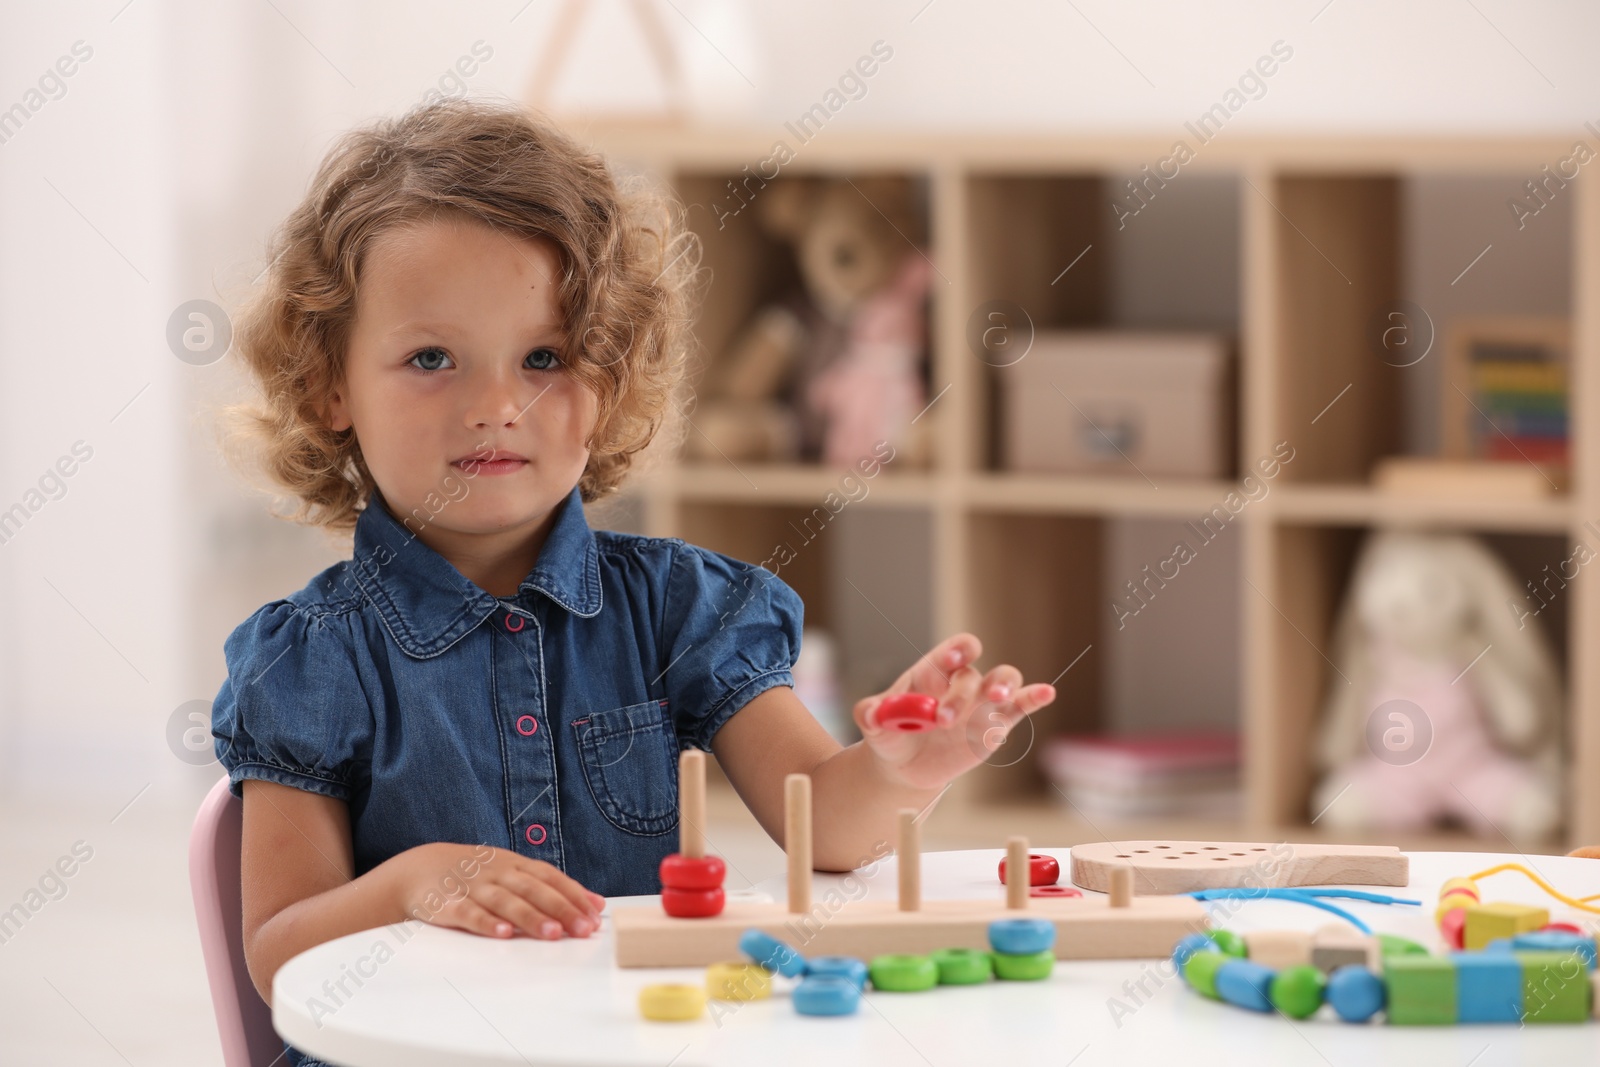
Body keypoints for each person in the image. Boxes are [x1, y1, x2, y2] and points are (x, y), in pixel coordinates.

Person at [211, 98, 1056, 1066]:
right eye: (430, 358)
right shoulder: (309, 657)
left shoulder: (680, 610)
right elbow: (280, 955)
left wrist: (902, 767)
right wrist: (412, 882)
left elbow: (826, 830)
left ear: (608, 379)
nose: (496, 403)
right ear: (330, 386)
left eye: (545, 357)